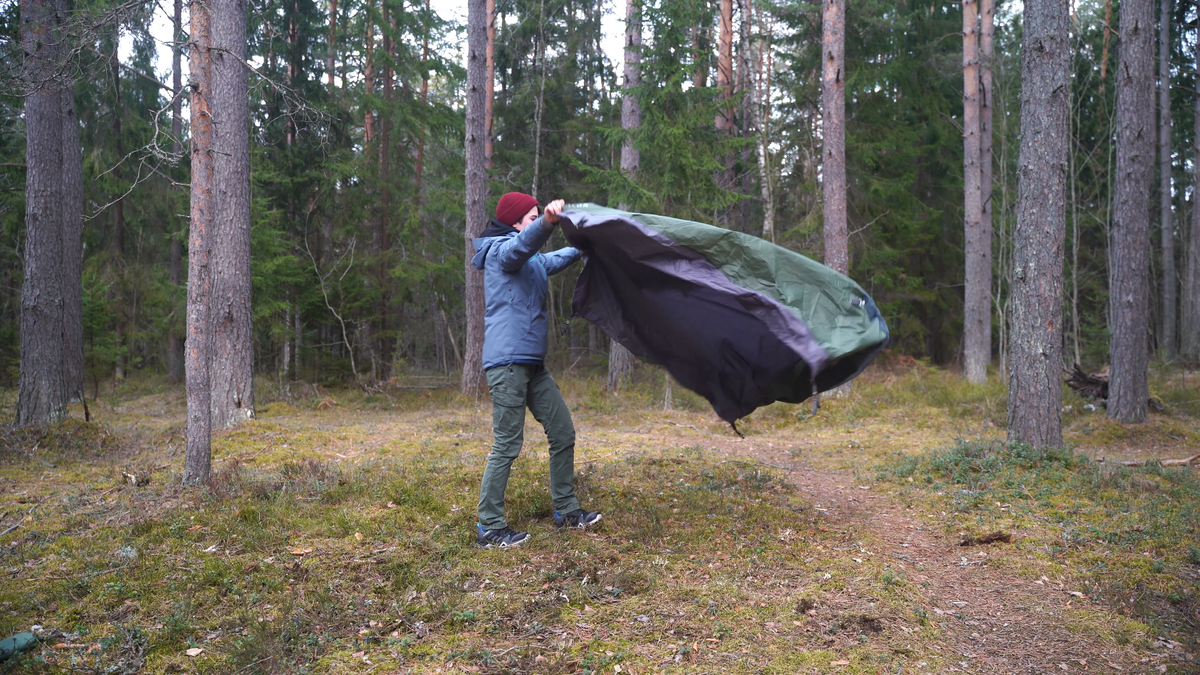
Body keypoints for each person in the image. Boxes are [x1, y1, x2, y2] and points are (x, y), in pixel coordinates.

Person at [470, 192, 602, 549]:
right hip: (507, 364)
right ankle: (490, 527)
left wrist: (586, 244)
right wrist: (547, 222)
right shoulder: (501, 252)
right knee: (507, 444)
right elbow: (523, 247)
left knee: (563, 432)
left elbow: (552, 258)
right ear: (515, 223)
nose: (534, 222)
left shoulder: (532, 260)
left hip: (532, 365)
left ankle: (566, 510)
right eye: (530, 216)